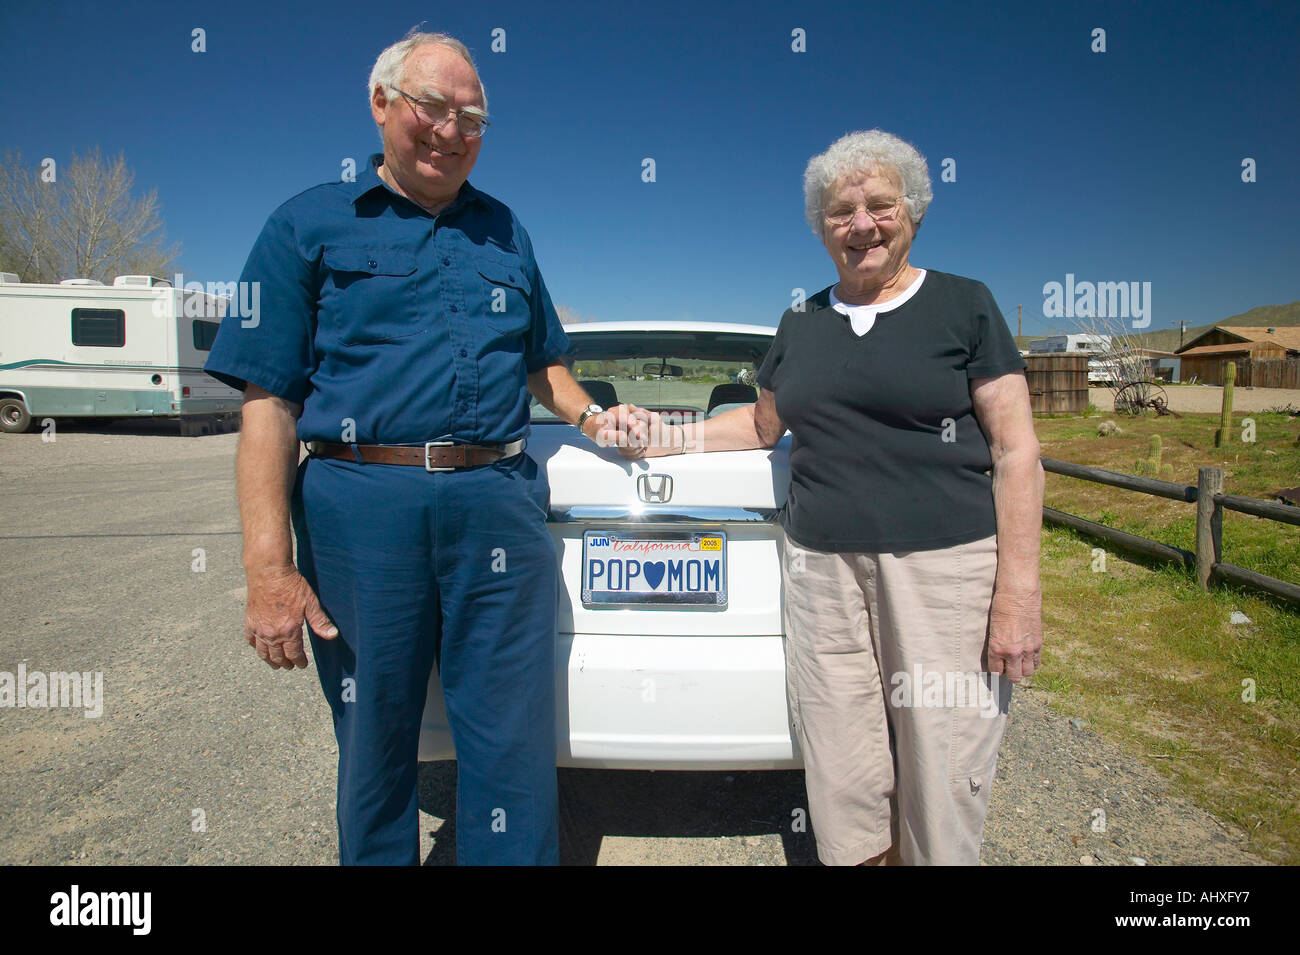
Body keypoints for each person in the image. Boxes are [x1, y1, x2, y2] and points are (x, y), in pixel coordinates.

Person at [204, 30, 642, 865]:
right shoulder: (304, 224)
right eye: (432, 108)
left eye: (471, 116)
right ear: (380, 105)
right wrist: (268, 566)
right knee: (376, 738)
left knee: (512, 741)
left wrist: (593, 418)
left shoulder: (505, 232)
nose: (450, 130)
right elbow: (268, 400)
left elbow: (543, 360)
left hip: (496, 504)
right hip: (359, 507)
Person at [626, 130, 1044, 865]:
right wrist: (663, 436)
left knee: (940, 766)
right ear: (822, 228)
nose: (861, 225)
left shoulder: (963, 306)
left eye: (880, 205)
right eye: (840, 212)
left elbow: (1017, 452)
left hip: (942, 571)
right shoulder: (801, 322)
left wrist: (1019, 595)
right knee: (843, 768)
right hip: (822, 575)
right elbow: (759, 426)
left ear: (912, 211)